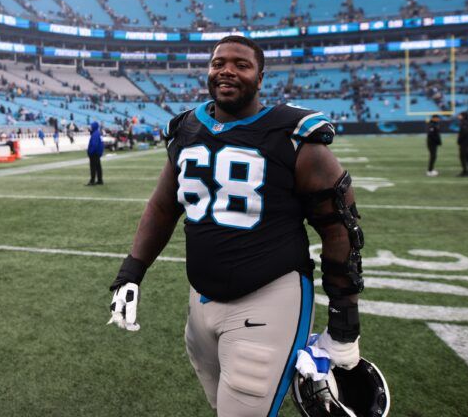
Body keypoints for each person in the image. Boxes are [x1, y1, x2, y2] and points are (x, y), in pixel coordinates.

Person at [106, 36, 365, 416]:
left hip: (269, 294)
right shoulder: (188, 129)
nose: (226, 70)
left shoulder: (293, 136)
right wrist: (131, 271)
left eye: (241, 64)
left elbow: (340, 229)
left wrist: (345, 321)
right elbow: (163, 206)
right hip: (201, 302)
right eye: (217, 63)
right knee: (221, 405)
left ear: (260, 77)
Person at [86, 121, 104, 186]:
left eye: (91, 127)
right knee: (98, 167)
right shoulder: (98, 133)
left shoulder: (95, 134)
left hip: (94, 153)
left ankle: (92, 181)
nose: (89, 128)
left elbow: (94, 145)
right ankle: (100, 180)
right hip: (97, 153)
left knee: (93, 167)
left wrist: (90, 152)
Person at [457, 112, 468, 176]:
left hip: (465, 143)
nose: (458, 116)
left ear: (463, 116)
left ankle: (465, 171)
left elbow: (464, 133)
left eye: (460, 115)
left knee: (463, 157)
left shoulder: (464, 123)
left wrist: (459, 140)